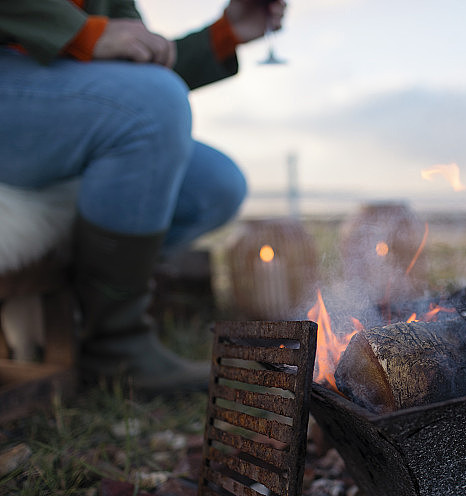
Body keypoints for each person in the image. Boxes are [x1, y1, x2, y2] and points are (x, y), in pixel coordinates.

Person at [0, 0, 286, 393]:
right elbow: (142, 94)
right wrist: (84, 35)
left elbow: (139, 76)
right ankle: (117, 347)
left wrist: (225, 34)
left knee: (215, 185)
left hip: (54, 93)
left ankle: (82, 312)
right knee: (153, 107)